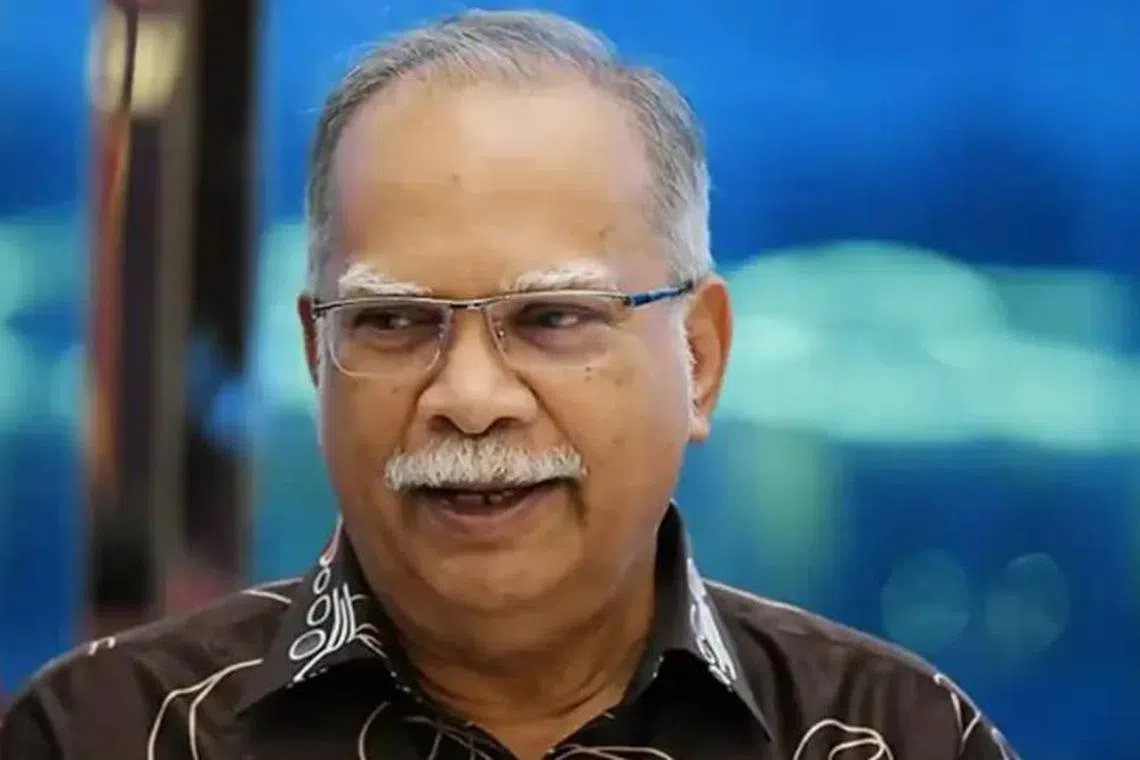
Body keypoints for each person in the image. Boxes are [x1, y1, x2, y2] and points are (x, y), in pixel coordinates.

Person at [0, 9, 1021, 760]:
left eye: (552, 318)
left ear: (700, 358)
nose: (472, 397)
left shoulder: (892, 736)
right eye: (395, 321)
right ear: (317, 356)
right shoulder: (106, 733)